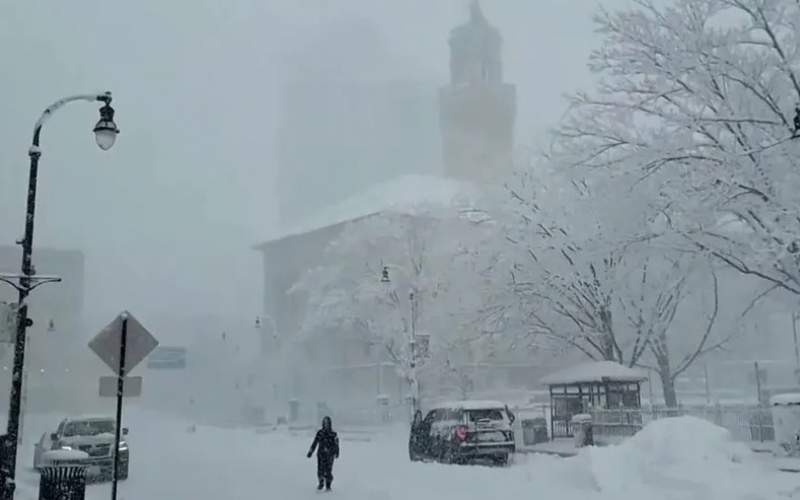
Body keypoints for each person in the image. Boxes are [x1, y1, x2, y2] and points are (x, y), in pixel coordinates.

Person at [307, 416, 339, 490]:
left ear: (329, 424)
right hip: (321, 454)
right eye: (324, 423)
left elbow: (336, 444)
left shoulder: (333, 434)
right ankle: (321, 483)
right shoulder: (320, 433)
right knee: (320, 470)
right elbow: (315, 442)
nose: (326, 424)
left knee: (328, 470)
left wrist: (337, 452)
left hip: (330, 455)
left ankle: (328, 485)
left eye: (327, 423)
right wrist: (310, 451)